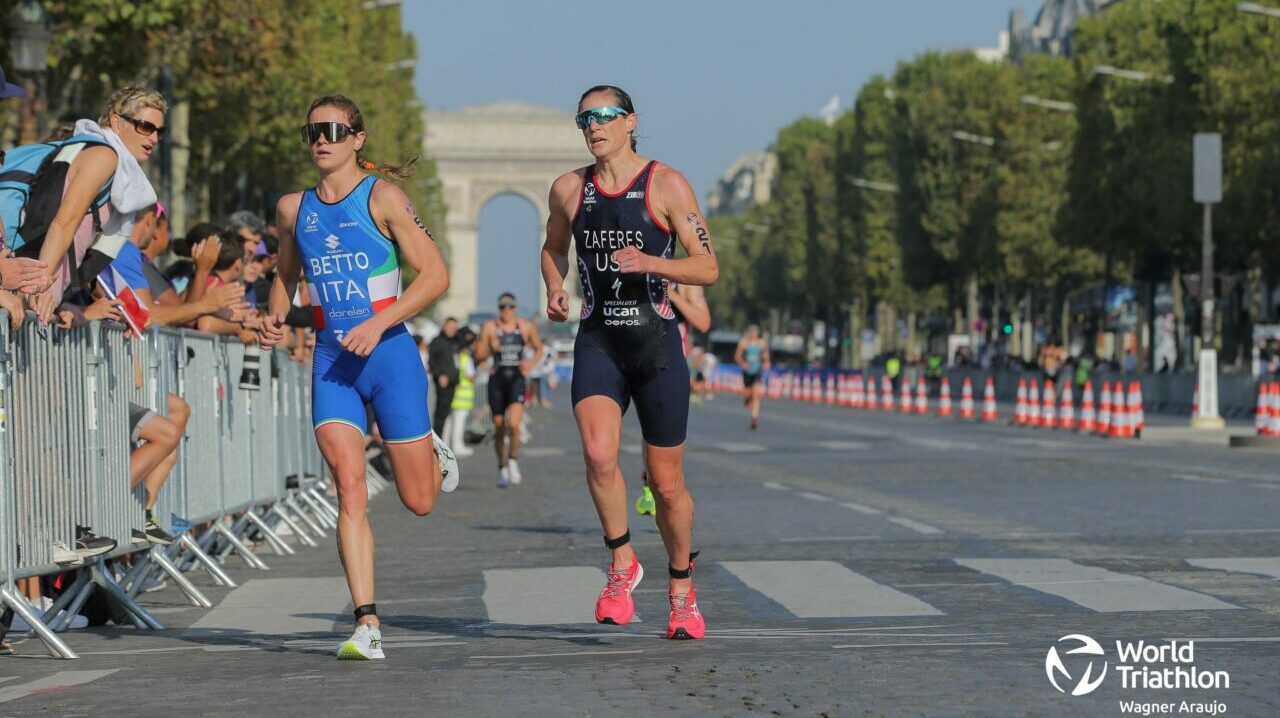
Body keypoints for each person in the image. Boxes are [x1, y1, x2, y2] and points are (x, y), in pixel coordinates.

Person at [257, 94, 458, 661]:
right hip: (332, 363)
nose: (322, 139)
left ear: (357, 138)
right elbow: (285, 278)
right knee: (348, 485)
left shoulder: (385, 198)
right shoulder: (293, 209)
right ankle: (366, 623)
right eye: (313, 130)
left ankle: (428, 447)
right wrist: (275, 317)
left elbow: (436, 274)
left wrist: (380, 321)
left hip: (388, 356)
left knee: (419, 501)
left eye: (334, 129)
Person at [542, 85, 718, 640]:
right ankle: (621, 563)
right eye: (584, 118)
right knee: (598, 453)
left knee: (666, 487)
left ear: (630, 121)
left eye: (604, 116)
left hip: (657, 346)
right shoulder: (569, 188)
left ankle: (682, 589)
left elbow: (708, 267)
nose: (593, 126)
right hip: (599, 340)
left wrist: (650, 262)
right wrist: (553, 286)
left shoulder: (666, 183)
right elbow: (552, 249)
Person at [637, 280, 710, 515]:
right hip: (635, 359)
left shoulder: (686, 283)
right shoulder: (638, 268)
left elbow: (703, 322)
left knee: (665, 438)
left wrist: (672, 295)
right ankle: (651, 486)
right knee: (644, 430)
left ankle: (659, 490)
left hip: (670, 364)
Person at [474, 292, 543, 487]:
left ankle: (512, 459)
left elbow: (539, 348)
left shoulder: (525, 327)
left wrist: (530, 364)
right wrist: (489, 348)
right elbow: (478, 355)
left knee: (513, 423)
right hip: (496, 381)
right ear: (498, 308)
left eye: (510, 306)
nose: (507, 310)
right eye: (503, 306)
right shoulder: (490, 327)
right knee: (499, 426)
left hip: (517, 380)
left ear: (516, 307)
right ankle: (501, 467)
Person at [445, 327, 478, 457]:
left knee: (449, 422)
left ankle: (446, 444)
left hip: (453, 393)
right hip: (463, 396)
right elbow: (470, 376)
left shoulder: (456, 356)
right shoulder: (466, 357)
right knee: (459, 422)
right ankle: (457, 445)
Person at [734, 325, 770, 430]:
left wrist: (767, 362)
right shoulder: (743, 343)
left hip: (757, 371)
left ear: (758, 333)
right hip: (747, 372)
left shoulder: (762, 343)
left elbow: (765, 355)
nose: (753, 334)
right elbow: (737, 356)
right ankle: (747, 398)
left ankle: (754, 418)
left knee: (756, 394)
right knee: (748, 393)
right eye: (751, 332)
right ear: (749, 333)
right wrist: (743, 363)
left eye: (755, 332)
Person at [428, 317, 459, 432]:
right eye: (450, 327)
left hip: (452, 381)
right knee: (441, 412)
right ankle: (437, 441)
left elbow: (469, 336)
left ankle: (442, 440)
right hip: (442, 381)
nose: (452, 330)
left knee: (446, 412)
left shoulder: (455, 341)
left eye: (454, 328)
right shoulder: (437, 341)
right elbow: (431, 361)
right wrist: (439, 374)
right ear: (444, 326)